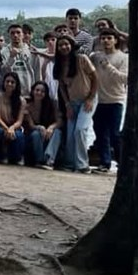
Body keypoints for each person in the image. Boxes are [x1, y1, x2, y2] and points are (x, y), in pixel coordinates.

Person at [54, 35, 99, 173]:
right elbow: (61, 86)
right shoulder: (60, 64)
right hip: (72, 102)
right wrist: (67, 104)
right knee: (71, 132)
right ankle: (70, 163)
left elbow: (95, 78)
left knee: (80, 130)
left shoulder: (82, 59)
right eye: (60, 45)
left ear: (72, 45)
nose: (64, 47)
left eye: (66, 44)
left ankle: (82, 165)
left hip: (87, 99)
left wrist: (91, 98)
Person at [90, 29, 128, 172]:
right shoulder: (95, 56)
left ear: (115, 40)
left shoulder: (123, 57)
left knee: (114, 134)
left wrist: (108, 67)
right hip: (98, 101)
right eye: (103, 38)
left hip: (115, 100)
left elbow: (124, 78)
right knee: (100, 133)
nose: (106, 41)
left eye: (109, 38)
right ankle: (105, 163)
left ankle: (122, 163)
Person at [0, 72, 26, 164]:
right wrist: (6, 128)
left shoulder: (21, 100)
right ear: (3, 83)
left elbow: (19, 121)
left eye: (12, 82)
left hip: (14, 127)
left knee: (19, 136)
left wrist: (12, 128)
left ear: (16, 84)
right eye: (7, 81)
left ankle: (16, 158)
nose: (9, 84)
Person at [24, 81, 63, 169]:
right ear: (33, 91)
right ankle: (40, 160)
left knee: (57, 132)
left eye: (42, 91)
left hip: (48, 136)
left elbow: (59, 121)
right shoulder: (28, 106)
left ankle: (49, 160)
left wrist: (51, 127)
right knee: (36, 134)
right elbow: (31, 125)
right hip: (35, 136)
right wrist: (39, 127)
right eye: (37, 90)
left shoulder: (52, 104)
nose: (39, 93)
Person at [0, 23, 36, 95]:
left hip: (28, 91)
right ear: (8, 35)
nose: (15, 35)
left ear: (23, 34)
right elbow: (3, 72)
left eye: (18, 32)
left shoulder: (32, 51)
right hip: (11, 92)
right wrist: (11, 58)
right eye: (12, 33)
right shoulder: (3, 52)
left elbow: (37, 72)